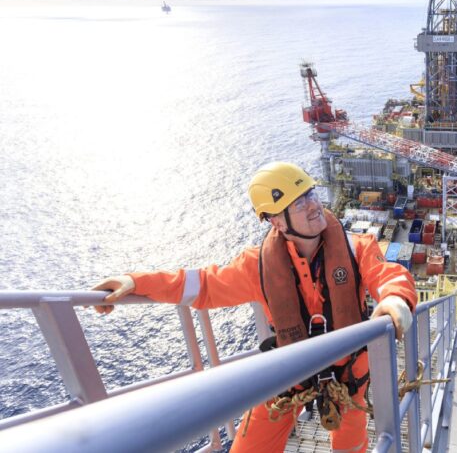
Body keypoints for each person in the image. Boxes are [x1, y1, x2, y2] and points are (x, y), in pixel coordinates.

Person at [92, 162, 417, 453]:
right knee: (249, 447)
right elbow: (201, 285)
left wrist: (395, 300)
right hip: (290, 378)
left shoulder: (357, 248)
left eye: (312, 194)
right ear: (276, 220)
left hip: (349, 380)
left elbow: (388, 275)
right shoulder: (256, 267)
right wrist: (136, 282)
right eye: (300, 202)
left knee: (352, 448)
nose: (315, 205)